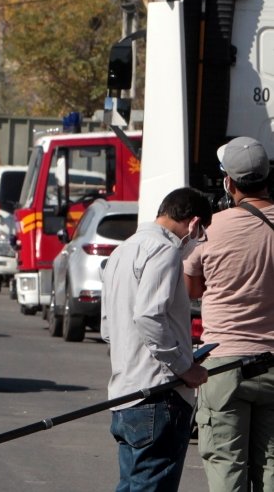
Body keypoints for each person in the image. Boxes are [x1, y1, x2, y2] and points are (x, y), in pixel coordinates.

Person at [101, 187, 211, 492]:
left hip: (125, 393)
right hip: (158, 395)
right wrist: (186, 367)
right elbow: (149, 316)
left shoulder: (122, 250)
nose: (195, 244)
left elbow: (108, 328)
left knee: (134, 484)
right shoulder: (164, 251)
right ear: (194, 224)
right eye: (201, 235)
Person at [184, 136, 274, 492]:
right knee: (271, 466)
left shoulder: (211, 228)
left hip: (224, 366)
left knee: (226, 463)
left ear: (229, 182)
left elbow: (191, 289)